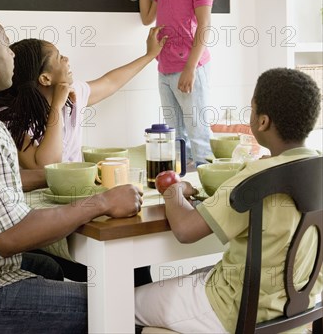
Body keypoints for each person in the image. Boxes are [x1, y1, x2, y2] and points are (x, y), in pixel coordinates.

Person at [0, 13, 144, 333]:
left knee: (46, 265)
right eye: (5, 44)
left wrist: (55, 177)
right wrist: (101, 202)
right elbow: (10, 236)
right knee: (122, 301)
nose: (12, 52)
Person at [135, 67, 322, 333]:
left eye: (252, 109)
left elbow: (185, 230)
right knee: (193, 277)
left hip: (230, 310)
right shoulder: (316, 168)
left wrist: (174, 190)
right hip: (295, 315)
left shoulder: (256, 175)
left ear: (263, 121)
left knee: (125, 302)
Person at [0, 30, 165, 168]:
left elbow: (110, 82)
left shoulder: (72, 94)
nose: (66, 59)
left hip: (79, 188)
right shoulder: (11, 119)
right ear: (45, 79)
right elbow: (47, 167)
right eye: (59, 57)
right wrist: (57, 106)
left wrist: (149, 55)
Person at [139, 0, 223, 166]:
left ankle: (207, 192)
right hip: (165, 69)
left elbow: (205, 25)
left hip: (190, 67)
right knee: (176, 137)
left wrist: (190, 68)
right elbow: (146, 17)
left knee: (198, 135)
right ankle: (185, 188)